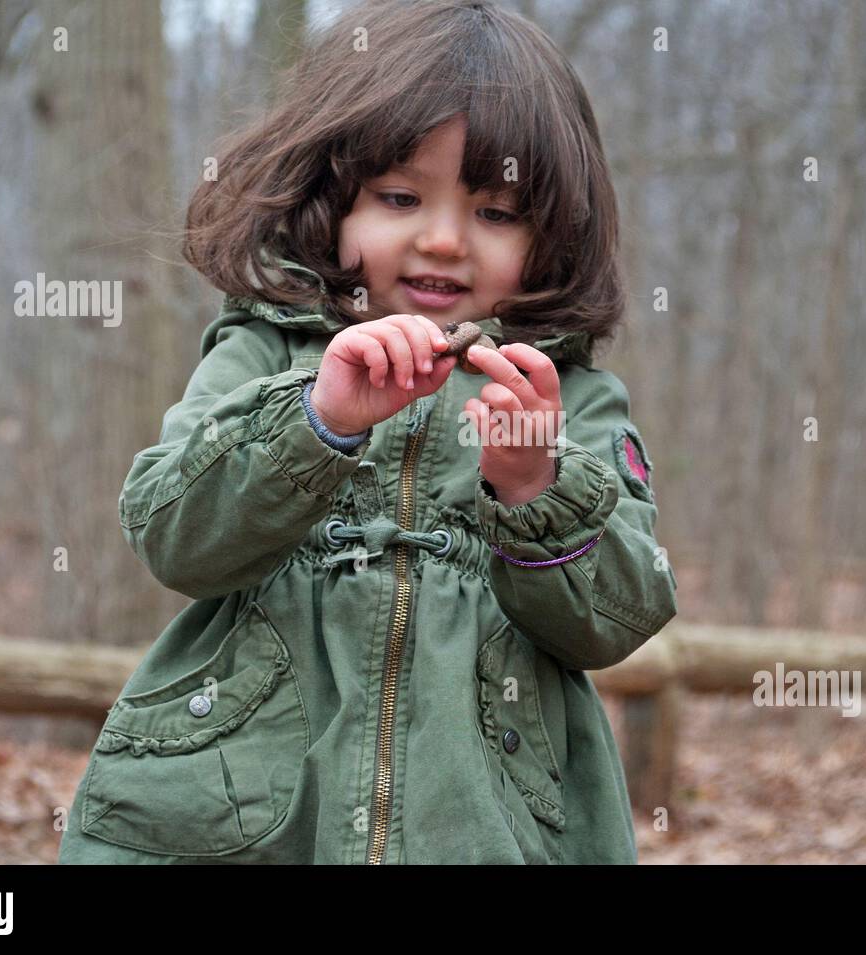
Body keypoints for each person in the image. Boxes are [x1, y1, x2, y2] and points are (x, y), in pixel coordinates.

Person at [58, 0, 676, 865]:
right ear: (332, 201)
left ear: (551, 236)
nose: (443, 239)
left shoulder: (570, 397)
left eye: (496, 213)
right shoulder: (264, 347)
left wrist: (537, 486)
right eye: (398, 196)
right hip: (242, 820)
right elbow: (172, 534)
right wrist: (318, 422)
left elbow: (619, 617)